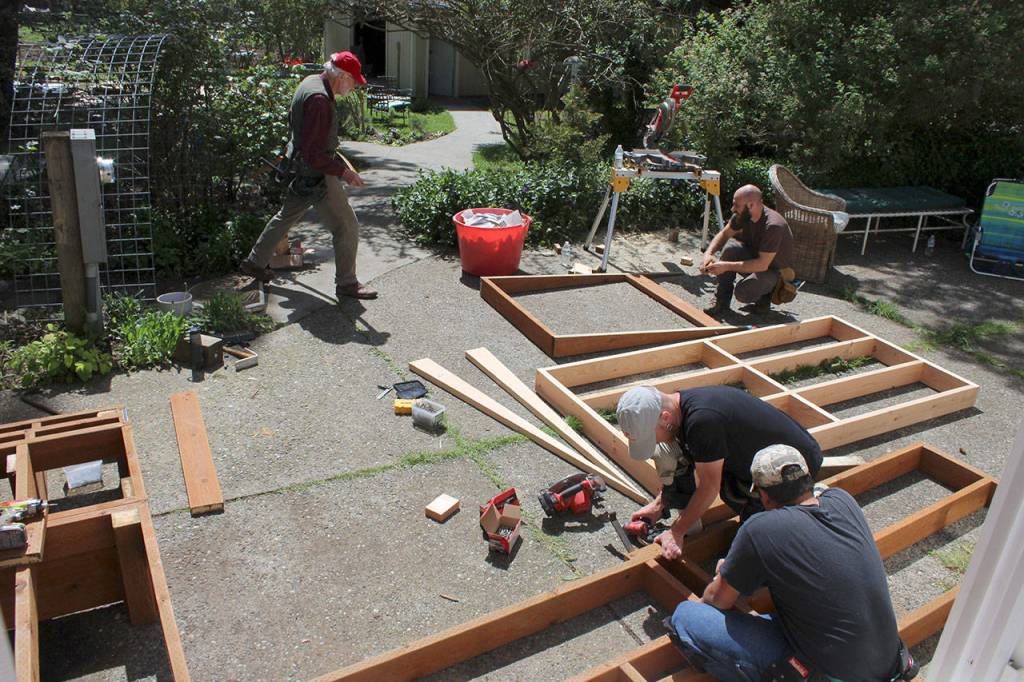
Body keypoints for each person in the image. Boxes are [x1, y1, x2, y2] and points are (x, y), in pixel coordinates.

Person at [665, 444, 910, 682]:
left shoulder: (760, 529)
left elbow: (716, 600)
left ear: (763, 495)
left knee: (687, 617)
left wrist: (725, 574)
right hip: (889, 663)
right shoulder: (842, 500)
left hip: (830, 676)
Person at [615, 385, 822, 560]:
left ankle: (805, 503)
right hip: (760, 452)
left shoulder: (702, 422)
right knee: (677, 455)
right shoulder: (680, 407)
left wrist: (677, 531)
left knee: (757, 543)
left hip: (794, 467)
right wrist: (659, 506)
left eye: (652, 437)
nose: (656, 442)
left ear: (665, 417)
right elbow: (688, 466)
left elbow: (708, 487)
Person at [240, 51, 378, 300]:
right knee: (346, 225)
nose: (354, 86)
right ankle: (347, 284)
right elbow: (315, 154)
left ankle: (255, 261)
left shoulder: (311, 82)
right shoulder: (320, 100)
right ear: (342, 76)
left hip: (301, 168)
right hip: (317, 175)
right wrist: (344, 172)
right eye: (353, 81)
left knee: (286, 216)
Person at [699, 184, 795, 316]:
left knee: (743, 292)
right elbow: (724, 234)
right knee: (731, 250)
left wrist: (725, 266)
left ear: (751, 205)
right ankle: (721, 301)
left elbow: (762, 264)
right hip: (756, 260)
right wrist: (708, 255)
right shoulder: (743, 216)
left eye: (736, 205)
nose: (733, 209)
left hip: (774, 271)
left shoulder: (773, 226)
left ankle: (766, 295)